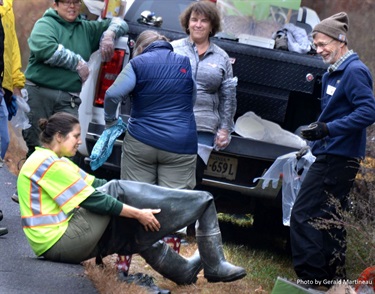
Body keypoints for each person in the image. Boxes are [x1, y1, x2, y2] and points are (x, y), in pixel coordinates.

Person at [17, 112, 246, 287]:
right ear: (58, 136)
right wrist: (138, 211)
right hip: (59, 244)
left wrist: (138, 205)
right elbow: (97, 200)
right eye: (76, 136)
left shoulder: (54, 160)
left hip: (61, 240)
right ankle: (210, 252)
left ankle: (182, 270)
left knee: (128, 217)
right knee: (119, 196)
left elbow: (97, 185)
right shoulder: (47, 163)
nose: (79, 141)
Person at [290, 12, 375, 290]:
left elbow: (368, 111)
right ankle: (334, 282)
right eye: (316, 45)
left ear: (341, 40)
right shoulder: (335, 71)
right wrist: (318, 133)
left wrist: (328, 129)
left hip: (340, 156)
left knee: (303, 214)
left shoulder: (354, 71)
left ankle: (312, 281)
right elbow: (338, 111)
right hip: (332, 152)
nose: (319, 50)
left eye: (324, 44)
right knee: (330, 217)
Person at [21, 0, 128, 159]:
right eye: (66, 2)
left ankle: (59, 182)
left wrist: (109, 35)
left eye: (76, 2)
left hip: (68, 99)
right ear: (56, 5)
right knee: (36, 146)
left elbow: (120, 23)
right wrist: (77, 64)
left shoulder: (86, 28)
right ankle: (32, 181)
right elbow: (45, 49)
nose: (72, 6)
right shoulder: (45, 24)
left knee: (67, 147)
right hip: (39, 94)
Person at [104, 29, 197, 190]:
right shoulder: (185, 63)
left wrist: (111, 121)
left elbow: (112, 94)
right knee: (175, 201)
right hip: (180, 143)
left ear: (139, 49)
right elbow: (192, 98)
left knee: (137, 197)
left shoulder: (137, 64)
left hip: (141, 140)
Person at [171, 0, 237, 188]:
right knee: (169, 176)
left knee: (192, 181)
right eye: (194, 20)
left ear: (212, 26)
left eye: (204, 21)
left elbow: (228, 97)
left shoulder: (222, 57)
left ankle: (187, 218)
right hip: (173, 123)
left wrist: (225, 129)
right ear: (187, 23)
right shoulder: (174, 49)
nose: (198, 25)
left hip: (204, 128)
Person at [0, 0, 25, 168]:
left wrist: (16, 82)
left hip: (3, 85)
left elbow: (12, 48)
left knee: (3, 138)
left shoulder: (7, 7)